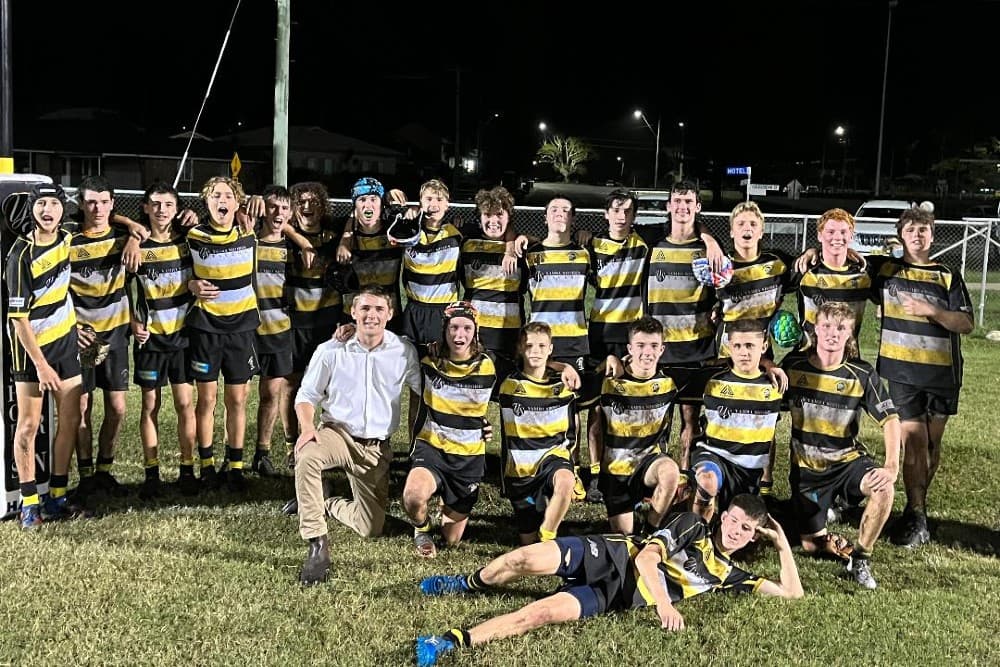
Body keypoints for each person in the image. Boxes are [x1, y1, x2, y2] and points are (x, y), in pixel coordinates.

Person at [413, 493, 802, 667]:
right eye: (732, 521)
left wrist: (783, 546)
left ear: (754, 535)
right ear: (722, 518)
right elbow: (648, 558)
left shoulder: (730, 574)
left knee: (541, 614)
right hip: (610, 554)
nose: (735, 530)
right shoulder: (693, 526)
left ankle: (448, 640)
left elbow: (791, 594)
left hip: (616, 596)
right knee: (523, 558)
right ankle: (468, 582)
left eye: (745, 528)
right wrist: (664, 603)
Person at [292, 285, 421, 585]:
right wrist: (308, 428)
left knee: (371, 527)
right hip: (338, 434)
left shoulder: (403, 351)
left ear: (390, 314)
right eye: (364, 308)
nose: (371, 315)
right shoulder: (331, 350)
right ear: (353, 312)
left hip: (375, 448)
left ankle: (326, 503)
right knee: (308, 454)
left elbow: (426, 390)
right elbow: (306, 394)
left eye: (378, 309)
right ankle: (317, 545)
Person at [869, 205, 974, 548]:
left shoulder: (946, 274)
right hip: (901, 373)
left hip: (942, 374)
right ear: (901, 235)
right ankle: (917, 515)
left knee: (931, 444)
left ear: (932, 235)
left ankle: (916, 508)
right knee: (913, 442)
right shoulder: (885, 270)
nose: (917, 236)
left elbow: (966, 323)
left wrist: (931, 310)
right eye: (911, 230)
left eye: (923, 230)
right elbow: (845, 261)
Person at [782, 301, 901, 589]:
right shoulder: (793, 367)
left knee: (883, 489)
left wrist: (891, 466)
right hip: (808, 471)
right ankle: (833, 510)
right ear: (814, 329)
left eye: (841, 328)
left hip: (848, 462)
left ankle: (860, 558)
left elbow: (891, 420)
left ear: (850, 334)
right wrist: (769, 364)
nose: (832, 334)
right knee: (811, 545)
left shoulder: (861, 374)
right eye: (826, 326)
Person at [5, 183, 86, 525]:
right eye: (41, 204)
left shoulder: (67, 240)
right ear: (33, 209)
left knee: (69, 420)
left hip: (66, 343)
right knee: (28, 425)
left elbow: (102, 219)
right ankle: (28, 504)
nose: (47, 210)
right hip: (30, 350)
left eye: (53, 203)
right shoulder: (19, 254)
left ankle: (57, 495)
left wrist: (132, 229)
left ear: (62, 209)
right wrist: (40, 365)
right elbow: (19, 320)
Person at [404, 301, 497, 558]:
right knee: (412, 497)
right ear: (444, 329)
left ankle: (447, 500)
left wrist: (563, 367)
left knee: (451, 540)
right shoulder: (428, 360)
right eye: (453, 327)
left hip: (467, 458)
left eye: (467, 328)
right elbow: (391, 344)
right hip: (432, 448)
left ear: (476, 331)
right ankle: (421, 529)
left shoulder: (490, 365)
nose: (459, 335)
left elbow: (531, 367)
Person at [519, 195, 595, 502]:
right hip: (538, 341)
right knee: (538, 407)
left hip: (573, 339)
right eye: (554, 209)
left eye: (566, 209)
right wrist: (519, 241)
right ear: (545, 217)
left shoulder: (584, 253)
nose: (559, 213)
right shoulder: (531, 255)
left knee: (570, 409)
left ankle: (571, 469)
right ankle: (532, 468)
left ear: (573, 219)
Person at [186, 176, 259, 491]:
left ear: (237, 202)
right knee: (206, 399)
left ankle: (236, 466)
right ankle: (206, 465)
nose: (222, 200)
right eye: (215, 195)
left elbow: (278, 207)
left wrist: (254, 200)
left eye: (228, 195)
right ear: (207, 202)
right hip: (206, 329)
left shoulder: (249, 232)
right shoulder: (192, 235)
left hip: (241, 328)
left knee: (237, 399)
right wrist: (191, 285)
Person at [644, 180, 723, 469]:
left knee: (690, 419)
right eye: (677, 201)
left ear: (697, 207)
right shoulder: (651, 242)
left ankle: (685, 477)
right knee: (656, 419)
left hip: (695, 348)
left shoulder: (710, 250)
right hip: (659, 350)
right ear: (668, 206)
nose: (682, 207)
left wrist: (711, 241)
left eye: (688, 202)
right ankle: (654, 477)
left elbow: (722, 293)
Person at [128, 181, 198, 498]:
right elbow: (121, 292)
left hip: (182, 336)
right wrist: (133, 323)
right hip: (151, 339)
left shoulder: (188, 241)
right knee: (150, 406)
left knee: (186, 405)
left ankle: (187, 470)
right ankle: (151, 473)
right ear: (145, 207)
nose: (161, 210)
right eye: (155, 204)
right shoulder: (136, 245)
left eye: (168, 204)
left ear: (177, 208)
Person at [68, 175, 133, 498]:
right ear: (81, 203)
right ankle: (86, 475)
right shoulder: (67, 240)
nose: (98, 208)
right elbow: (55, 291)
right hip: (81, 336)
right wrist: (72, 327)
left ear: (112, 204)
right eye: (91, 201)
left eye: (105, 201)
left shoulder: (123, 237)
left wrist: (135, 235)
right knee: (82, 409)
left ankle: (105, 470)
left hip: (116, 333)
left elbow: (151, 230)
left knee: (118, 408)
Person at [690, 319, 783, 522]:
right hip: (714, 455)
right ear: (729, 347)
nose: (744, 352)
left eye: (750, 346)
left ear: (764, 347)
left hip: (749, 471)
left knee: (743, 535)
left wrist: (769, 365)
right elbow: (663, 375)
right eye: (737, 346)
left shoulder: (777, 383)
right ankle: (696, 536)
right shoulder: (711, 379)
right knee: (708, 482)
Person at [596, 316, 680, 535]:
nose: (647, 352)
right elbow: (573, 380)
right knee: (625, 541)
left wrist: (767, 364)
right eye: (640, 345)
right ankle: (634, 527)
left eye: (653, 346)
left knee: (671, 472)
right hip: (616, 471)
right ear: (629, 348)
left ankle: (651, 531)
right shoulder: (609, 380)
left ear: (662, 349)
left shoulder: (670, 382)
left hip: (649, 463)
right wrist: (610, 359)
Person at [497, 322, 577, 544]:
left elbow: (605, 377)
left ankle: (548, 536)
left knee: (566, 480)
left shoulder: (566, 384)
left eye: (542, 346)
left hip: (553, 459)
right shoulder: (507, 382)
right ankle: (538, 539)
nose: (535, 351)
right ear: (520, 348)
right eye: (529, 345)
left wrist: (565, 368)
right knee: (527, 543)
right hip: (520, 473)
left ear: (550, 349)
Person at [283, 181, 343, 462]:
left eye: (314, 202)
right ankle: (290, 444)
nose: (308, 207)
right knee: (291, 384)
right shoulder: (284, 236)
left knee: (330, 387)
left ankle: (328, 442)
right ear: (294, 207)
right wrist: (300, 240)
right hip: (295, 321)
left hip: (327, 321)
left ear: (323, 205)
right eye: (302, 202)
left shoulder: (334, 235)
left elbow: (357, 221)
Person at [251, 185, 295, 477]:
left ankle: (263, 452)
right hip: (245, 329)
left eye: (284, 208)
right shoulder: (246, 239)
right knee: (236, 396)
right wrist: (247, 200)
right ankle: (234, 457)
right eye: (272, 207)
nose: (278, 213)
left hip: (278, 329)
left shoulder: (291, 247)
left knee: (271, 392)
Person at [462, 186, 526, 382]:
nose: (493, 221)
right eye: (487, 215)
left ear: (509, 216)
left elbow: (542, 242)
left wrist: (514, 245)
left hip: (509, 335)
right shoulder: (467, 243)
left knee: (507, 396)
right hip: (475, 334)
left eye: (499, 214)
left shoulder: (521, 248)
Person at [334, 177, 407, 332]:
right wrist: (345, 238)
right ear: (355, 207)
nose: (368, 204)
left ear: (382, 203)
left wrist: (409, 206)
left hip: (389, 316)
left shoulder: (393, 232)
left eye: (374, 199)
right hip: (354, 318)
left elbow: (418, 222)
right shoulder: (343, 233)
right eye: (362, 200)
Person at [400, 179, 463, 357]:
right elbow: (376, 218)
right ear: (420, 203)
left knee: (440, 365)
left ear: (447, 204)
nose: (433, 204)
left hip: (443, 310)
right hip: (414, 310)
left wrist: (513, 244)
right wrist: (399, 205)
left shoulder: (458, 231)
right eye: (428, 199)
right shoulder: (407, 229)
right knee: (412, 367)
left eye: (439, 199)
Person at [793, 208, 871, 338]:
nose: (837, 237)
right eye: (830, 232)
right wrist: (811, 251)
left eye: (843, 232)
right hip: (809, 355)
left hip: (848, 355)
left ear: (851, 235)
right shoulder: (804, 267)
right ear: (819, 235)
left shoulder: (865, 271)